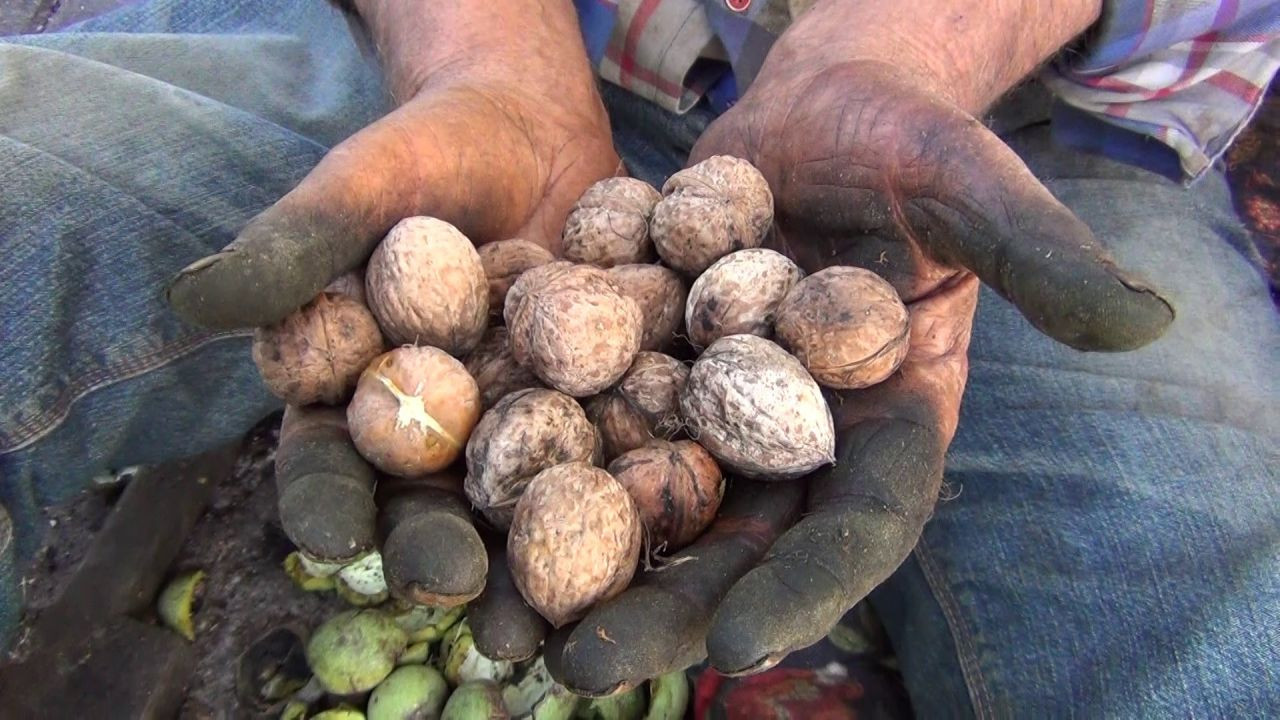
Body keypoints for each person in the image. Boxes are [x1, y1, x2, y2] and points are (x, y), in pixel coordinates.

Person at [1, 0, 1276, 715]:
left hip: (999, 129)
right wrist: (483, 58)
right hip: (488, 62)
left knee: (1224, 624)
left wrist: (897, 50)